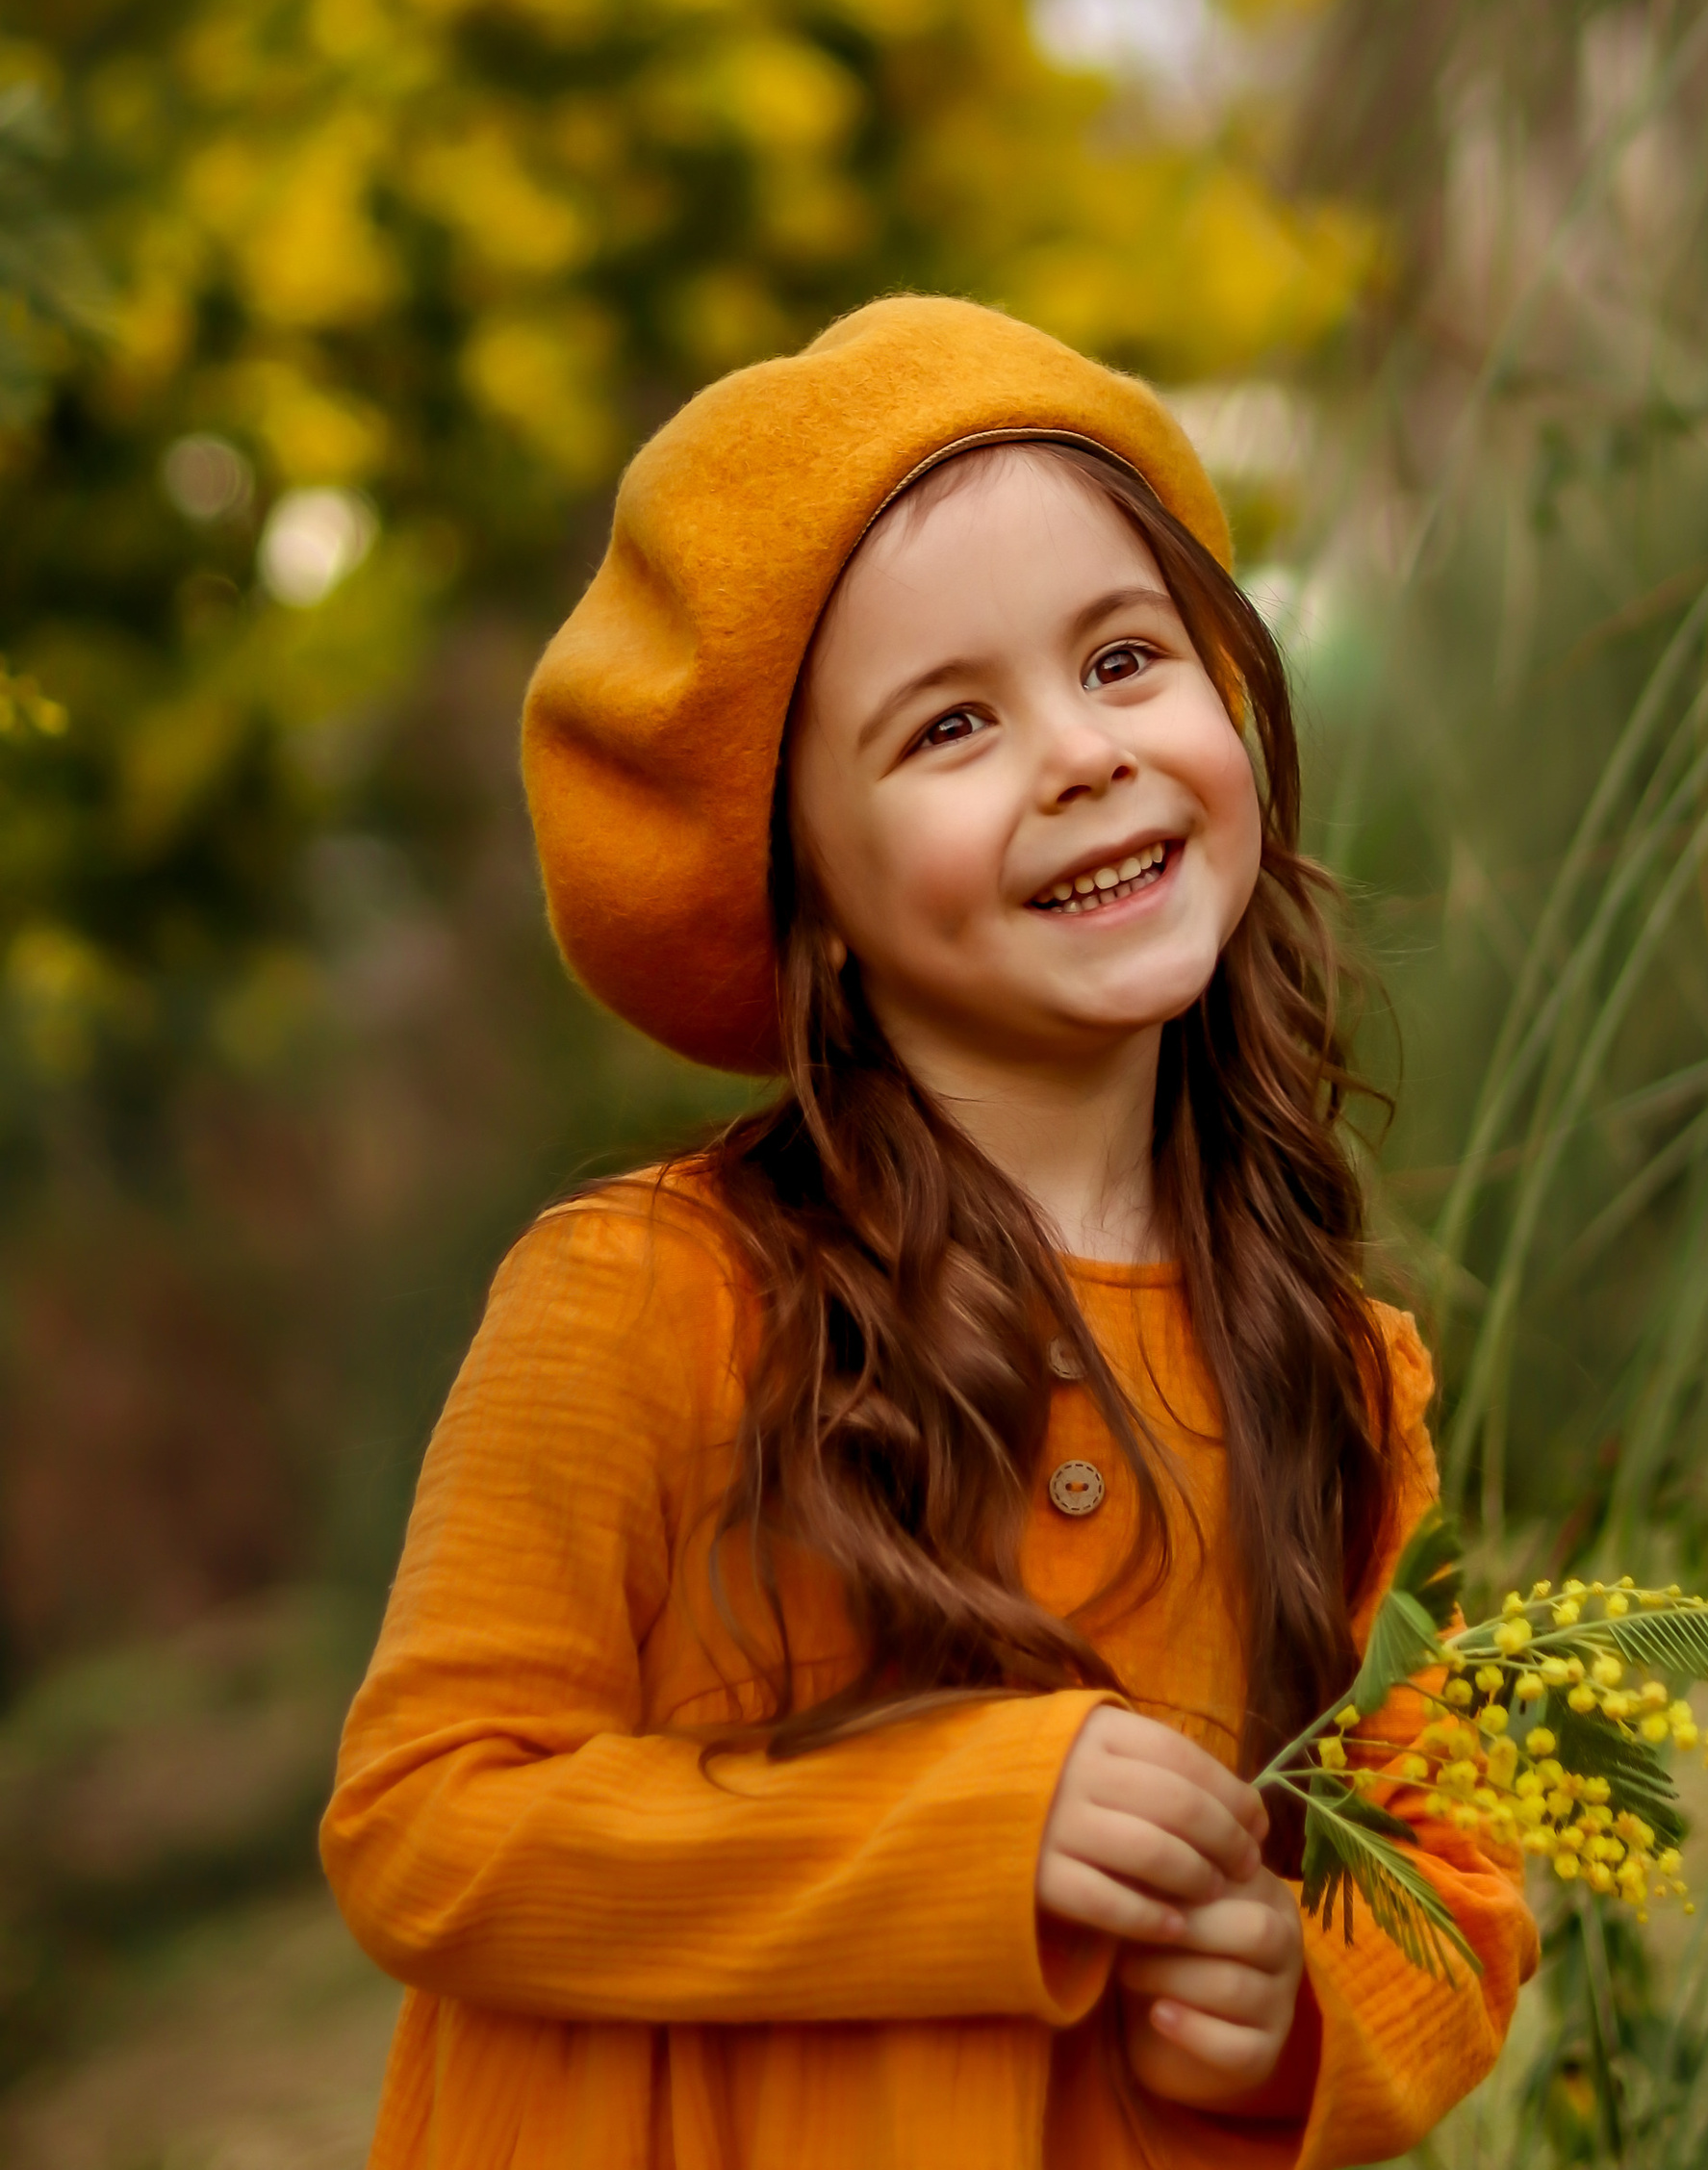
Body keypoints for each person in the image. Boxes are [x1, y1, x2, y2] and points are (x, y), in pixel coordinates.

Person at [321, 294, 1537, 2166]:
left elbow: (1448, 1875)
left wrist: (1306, 2006)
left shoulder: (1336, 1370)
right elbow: (424, 1825)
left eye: (1124, 658)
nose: (1078, 753)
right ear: (805, 899)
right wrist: (971, 1830)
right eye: (951, 722)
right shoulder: (652, 1296)